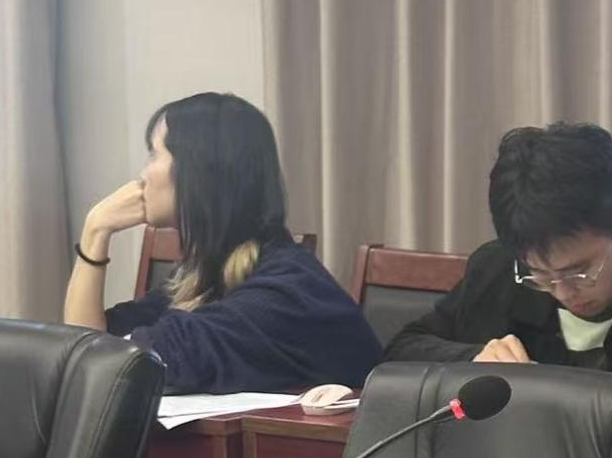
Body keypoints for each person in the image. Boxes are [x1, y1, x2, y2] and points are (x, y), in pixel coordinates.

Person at [64, 92, 380, 394]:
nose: (142, 176)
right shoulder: (211, 271)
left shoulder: (285, 288)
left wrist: (96, 228)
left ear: (196, 173)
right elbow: (87, 346)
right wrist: (96, 232)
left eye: (154, 155)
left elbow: (120, 363)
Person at [384, 122, 612, 380]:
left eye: (580, 272)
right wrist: (473, 358)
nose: (564, 292)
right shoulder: (499, 268)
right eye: (542, 276)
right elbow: (400, 351)